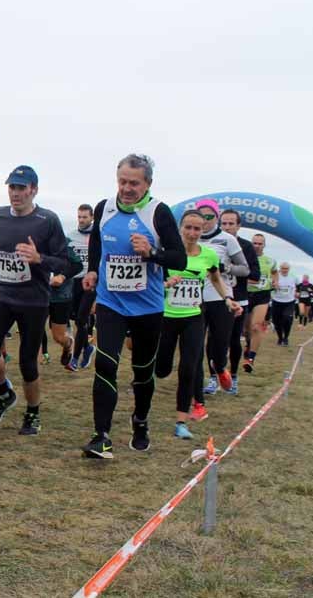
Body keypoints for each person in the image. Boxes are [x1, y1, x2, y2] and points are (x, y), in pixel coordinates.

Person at [80, 154, 186, 459]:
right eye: (122, 181)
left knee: (142, 371)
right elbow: (97, 242)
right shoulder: (104, 208)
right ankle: (102, 437)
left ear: (148, 184)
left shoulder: (159, 213)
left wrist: (152, 252)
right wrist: (91, 270)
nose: (126, 188)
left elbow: (179, 259)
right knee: (105, 364)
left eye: (134, 183)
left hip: (148, 308)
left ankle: (140, 421)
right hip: (111, 301)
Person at [0, 165, 68, 435]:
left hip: (34, 301)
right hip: (2, 295)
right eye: (12, 187)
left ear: (33, 190)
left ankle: (33, 412)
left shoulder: (48, 220)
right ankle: (5, 393)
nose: (15, 193)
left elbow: (65, 262)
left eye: (21, 188)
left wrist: (40, 259)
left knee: (28, 362)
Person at [155, 210, 241, 439]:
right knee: (162, 369)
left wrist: (226, 298)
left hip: (193, 316)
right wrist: (166, 283)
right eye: (188, 228)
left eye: (197, 229)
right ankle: (160, 368)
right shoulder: (167, 254)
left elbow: (215, 277)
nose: (192, 233)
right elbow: (153, 282)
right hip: (167, 317)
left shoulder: (209, 255)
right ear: (180, 228)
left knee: (189, 368)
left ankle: (181, 422)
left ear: (203, 230)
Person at [195, 200, 250, 397]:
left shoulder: (227, 239)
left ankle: (220, 369)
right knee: (196, 344)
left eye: (210, 216)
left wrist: (225, 267)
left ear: (216, 218)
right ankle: (208, 380)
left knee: (219, 343)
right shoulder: (190, 237)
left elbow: (245, 269)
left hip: (221, 297)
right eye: (202, 216)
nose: (206, 221)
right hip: (195, 299)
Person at [219, 209, 260, 394]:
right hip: (216, 298)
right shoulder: (213, 242)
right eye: (224, 224)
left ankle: (233, 377)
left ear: (238, 226)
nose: (227, 227)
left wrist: (229, 269)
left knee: (234, 340)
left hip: (239, 298)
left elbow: (255, 274)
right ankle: (214, 377)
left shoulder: (246, 246)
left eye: (231, 224)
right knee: (214, 341)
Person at [66, 204, 97, 371]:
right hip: (75, 282)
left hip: (91, 282)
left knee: (81, 320)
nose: (82, 220)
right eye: (79, 217)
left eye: (85, 217)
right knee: (76, 320)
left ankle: (75, 359)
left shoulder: (97, 237)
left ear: (92, 217)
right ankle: (88, 347)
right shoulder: (70, 236)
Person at [244, 233, 277, 372]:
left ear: (264, 245)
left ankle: (251, 358)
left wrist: (275, 280)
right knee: (246, 330)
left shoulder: (270, 261)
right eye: (254, 243)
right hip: (245, 294)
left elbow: (275, 272)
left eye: (260, 244)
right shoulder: (244, 258)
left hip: (262, 295)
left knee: (256, 327)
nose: (257, 246)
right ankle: (248, 344)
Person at [270, 262, 297, 346]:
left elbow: (298, 286)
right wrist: (273, 285)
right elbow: (270, 286)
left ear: (289, 269)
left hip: (289, 302)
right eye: (283, 268)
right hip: (277, 301)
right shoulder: (275, 276)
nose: (284, 270)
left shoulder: (294, 277)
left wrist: (297, 292)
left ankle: (286, 338)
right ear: (280, 268)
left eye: (286, 268)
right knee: (277, 322)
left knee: (287, 319)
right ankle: (280, 338)